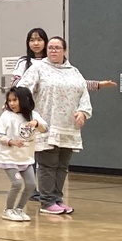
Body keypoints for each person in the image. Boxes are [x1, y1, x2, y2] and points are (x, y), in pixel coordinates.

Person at [17, 36, 92, 215]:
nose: (53, 51)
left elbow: (84, 94)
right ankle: (47, 202)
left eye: (57, 48)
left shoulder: (74, 71)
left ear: (64, 50)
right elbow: (22, 89)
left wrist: (82, 112)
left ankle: (57, 199)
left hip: (68, 127)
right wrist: (29, 114)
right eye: (50, 48)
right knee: (47, 164)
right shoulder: (38, 69)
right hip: (46, 125)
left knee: (62, 165)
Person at [0, 86, 47, 221]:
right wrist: (11, 142)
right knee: (17, 183)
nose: (12, 103)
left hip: (26, 159)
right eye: (9, 100)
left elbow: (45, 128)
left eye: (15, 100)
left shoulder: (33, 115)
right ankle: (8, 210)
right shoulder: (6, 116)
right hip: (9, 159)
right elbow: (0, 135)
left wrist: (36, 124)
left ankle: (19, 209)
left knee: (30, 184)